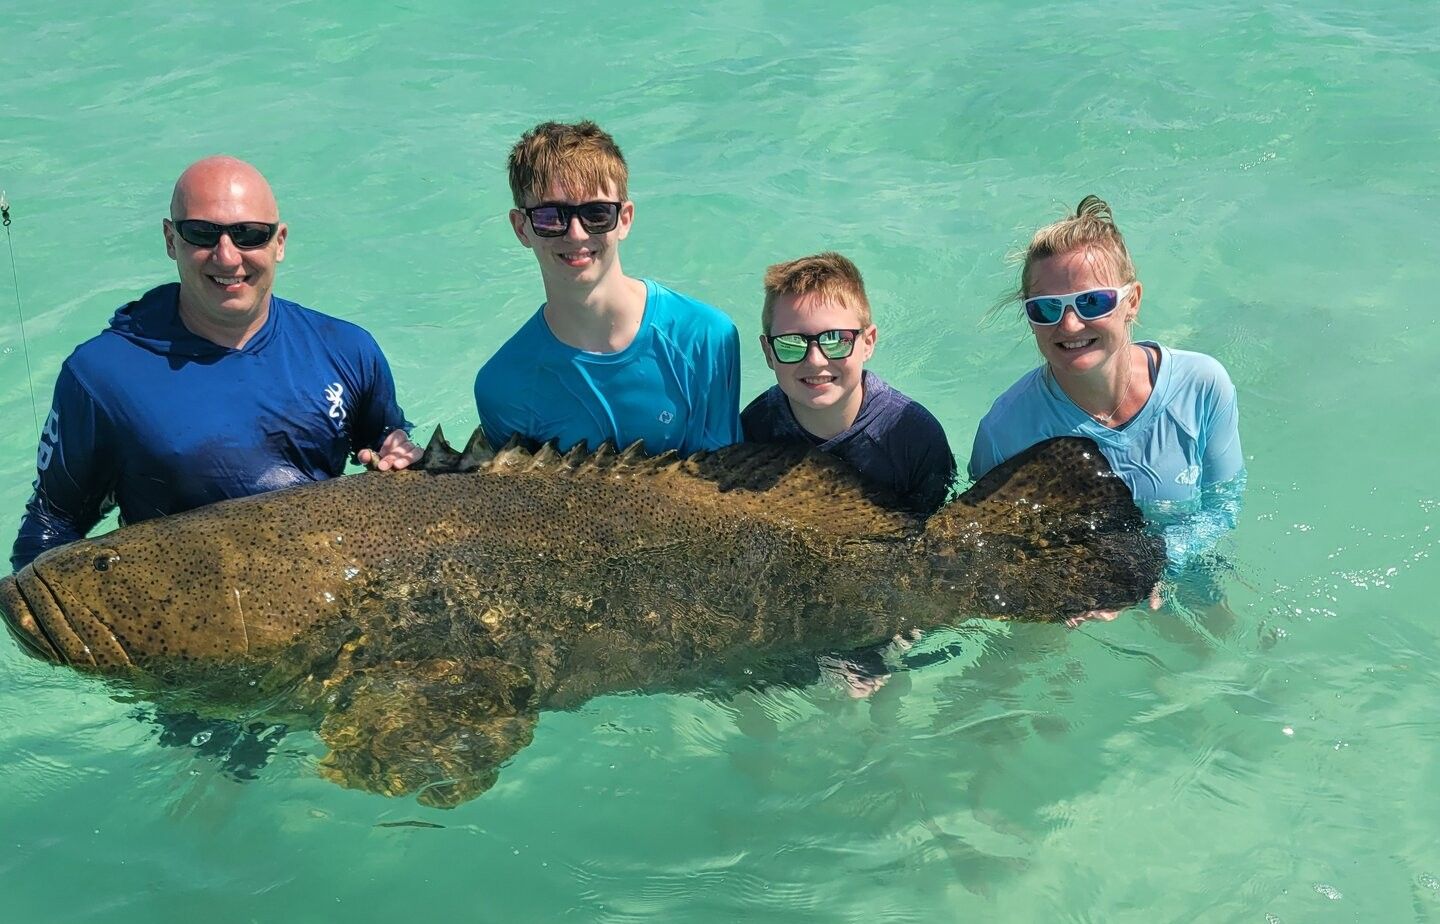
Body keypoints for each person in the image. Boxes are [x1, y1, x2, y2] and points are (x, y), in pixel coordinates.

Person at [10, 156, 420, 572]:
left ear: (279, 242)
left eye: (249, 235)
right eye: (202, 233)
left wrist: (401, 456)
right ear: (171, 239)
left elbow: (385, 444)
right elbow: (51, 526)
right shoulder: (100, 376)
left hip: (321, 595)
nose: (226, 257)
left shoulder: (348, 349)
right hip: (188, 619)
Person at [969, 195, 1244, 623]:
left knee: (1214, 661)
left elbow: (1225, 504)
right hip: (1078, 603)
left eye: (1092, 302)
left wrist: (1158, 559)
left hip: (1182, 569)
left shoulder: (1202, 385)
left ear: (1131, 300)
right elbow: (990, 543)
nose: (1070, 324)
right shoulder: (1005, 430)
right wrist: (1048, 588)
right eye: (1046, 309)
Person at [474, 120, 741, 455]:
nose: (576, 234)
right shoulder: (502, 386)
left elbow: (722, 483)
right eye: (549, 216)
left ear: (625, 219)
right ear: (521, 228)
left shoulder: (705, 337)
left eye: (596, 213)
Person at [742, 251, 956, 515]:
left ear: (868, 343)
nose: (815, 360)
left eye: (835, 340)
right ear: (768, 352)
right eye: (791, 343)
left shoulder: (915, 437)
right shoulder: (753, 429)